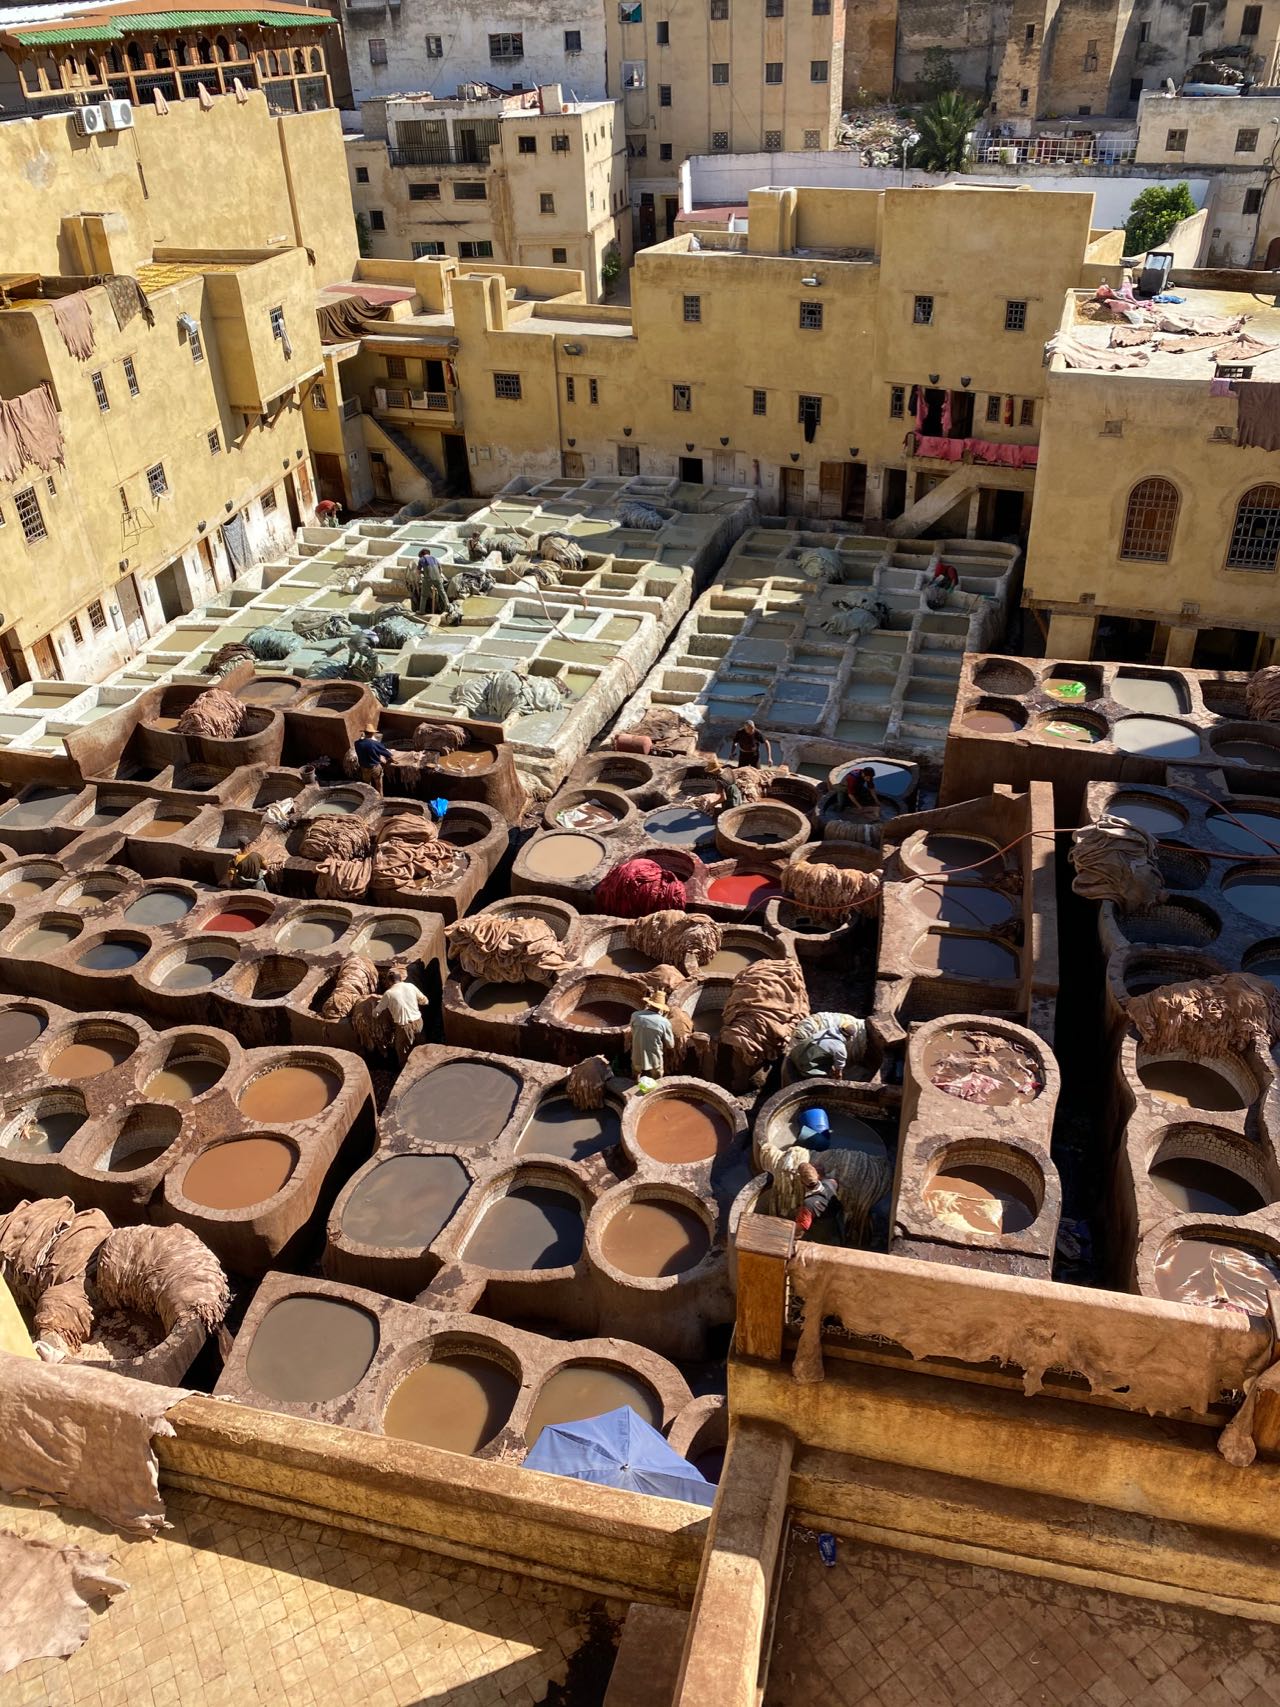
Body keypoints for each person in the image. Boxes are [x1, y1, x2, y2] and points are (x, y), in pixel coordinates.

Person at [787, 1012, 868, 1080]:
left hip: (795, 1054)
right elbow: (839, 1067)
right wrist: (837, 1077)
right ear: (849, 1037)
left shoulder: (825, 1032)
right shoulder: (839, 1047)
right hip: (804, 1065)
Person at [378, 965, 428, 1062]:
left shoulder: (388, 993)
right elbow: (425, 1001)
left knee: (403, 1053)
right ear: (401, 978)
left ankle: (407, 1071)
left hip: (404, 1028)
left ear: (389, 981)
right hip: (419, 1023)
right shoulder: (411, 986)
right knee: (422, 1048)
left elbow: (377, 1011)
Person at [629, 990, 675, 1082]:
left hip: (637, 1053)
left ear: (649, 1004)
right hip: (654, 1056)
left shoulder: (635, 1015)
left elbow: (633, 1031)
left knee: (636, 1071)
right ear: (661, 1009)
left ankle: (635, 1084)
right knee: (657, 1076)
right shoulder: (664, 1022)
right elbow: (671, 1045)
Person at [354, 726, 395, 795]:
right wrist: (392, 760)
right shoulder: (375, 744)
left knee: (367, 785)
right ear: (372, 733)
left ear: (364, 733)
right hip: (375, 767)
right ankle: (380, 799)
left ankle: (369, 797)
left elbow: (361, 744)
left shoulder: (357, 743)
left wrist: (361, 739)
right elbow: (387, 754)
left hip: (364, 767)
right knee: (378, 784)